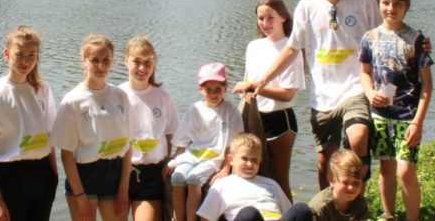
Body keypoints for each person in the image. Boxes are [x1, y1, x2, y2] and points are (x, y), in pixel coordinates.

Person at [251, 0, 380, 189]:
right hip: (322, 94)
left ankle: (357, 199)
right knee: (324, 161)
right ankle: (328, 209)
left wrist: (414, 44)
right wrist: (262, 81)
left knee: (358, 136)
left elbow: (384, 37)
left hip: (356, 86)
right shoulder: (307, 5)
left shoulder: (365, 2)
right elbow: (292, 49)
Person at [359, 0, 434, 221]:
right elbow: (364, 74)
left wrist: (418, 122)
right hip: (380, 116)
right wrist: (370, 94)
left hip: (407, 118)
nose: (391, 8)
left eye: (398, 3)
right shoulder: (369, 38)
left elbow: (427, 86)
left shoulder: (416, 39)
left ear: (407, 6)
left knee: (405, 172)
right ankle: (388, 215)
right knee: (386, 169)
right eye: (386, 2)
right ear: (378, 3)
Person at [0, 25, 59, 221]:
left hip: (43, 174)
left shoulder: (43, 89)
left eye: (31, 55)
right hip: (11, 175)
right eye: (19, 54)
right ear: (7, 54)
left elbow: (50, 136)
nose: (26, 61)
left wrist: (53, 174)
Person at [51, 34, 132, 221]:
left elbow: (128, 146)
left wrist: (123, 190)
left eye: (106, 60)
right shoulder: (72, 101)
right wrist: (80, 197)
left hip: (116, 173)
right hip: (84, 175)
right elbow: (66, 154)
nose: (101, 66)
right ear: (83, 61)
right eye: (95, 60)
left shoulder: (120, 96)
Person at [232, 0, 306, 200]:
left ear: (282, 16)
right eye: (261, 18)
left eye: (270, 17)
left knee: (279, 181)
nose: (265, 23)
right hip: (254, 117)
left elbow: (288, 93)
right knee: (251, 178)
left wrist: (256, 87)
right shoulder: (253, 47)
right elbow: (249, 84)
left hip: (280, 120)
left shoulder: (292, 48)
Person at [166, 62, 245, 221]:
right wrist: (174, 161)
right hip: (192, 155)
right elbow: (182, 141)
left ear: (225, 88)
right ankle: (178, 218)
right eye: (208, 90)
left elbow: (233, 143)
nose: (213, 94)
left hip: (213, 157)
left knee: (194, 179)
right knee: (177, 177)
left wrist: (225, 169)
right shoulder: (194, 109)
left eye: (218, 89)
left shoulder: (230, 110)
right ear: (200, 89)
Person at [120, 36, 179, 221]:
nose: (142, 68)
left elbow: (172, 135)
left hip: (152, 173)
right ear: (125, 60)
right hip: (119, 172)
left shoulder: (163, 97)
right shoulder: (116, 95)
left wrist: (168, 163)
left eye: (148, 62)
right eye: (136, 62)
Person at [196, 133, 313, 221]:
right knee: (249, 214)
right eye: (245, 158)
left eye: (254, 160)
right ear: (231, 159)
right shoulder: (222, 185)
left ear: (260, 161)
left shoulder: (271, 184)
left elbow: (288, 211)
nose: (249, 164)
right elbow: (206, 218)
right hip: (248, 218)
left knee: (301, 209)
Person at [307, 149, 369, 221]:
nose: (351, 187)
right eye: (345, 182)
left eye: (356, 183)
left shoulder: (360, 203)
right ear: (332, 180)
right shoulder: (321, 207)